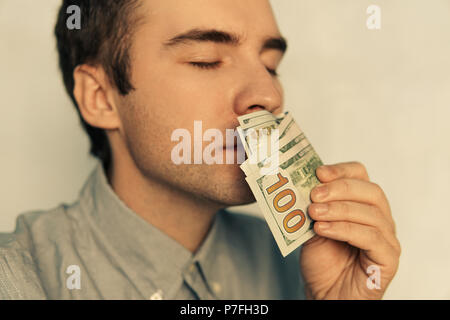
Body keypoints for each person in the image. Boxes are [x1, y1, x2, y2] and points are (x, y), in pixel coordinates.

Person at [0, 0, 400, 299]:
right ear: (101, 97)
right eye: (206, 60)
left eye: (270, 65)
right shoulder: (17, 276)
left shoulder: (305, 265)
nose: (268, 94)